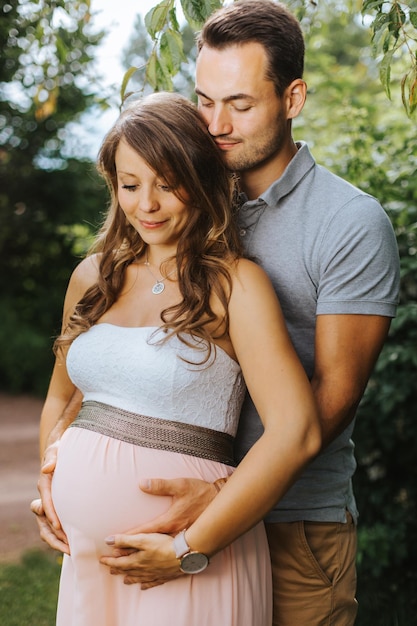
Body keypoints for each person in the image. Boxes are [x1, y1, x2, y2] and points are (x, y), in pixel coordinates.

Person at [31, 1, 400, 624]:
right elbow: (98, 368)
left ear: (293, 97)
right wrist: (57, 474)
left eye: (241, 104)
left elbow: (328, 400)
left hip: (290, 520)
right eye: (205, 100)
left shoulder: (347, 222)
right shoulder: (184, 194)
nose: (217, 123)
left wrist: (219, 501)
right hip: (128, 543)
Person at [35, 90, 321, 625]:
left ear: (202, 178)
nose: (147, 204)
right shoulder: (93, 277)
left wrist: (189, 547)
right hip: (90, 565)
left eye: (168, 184)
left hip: (191, 558)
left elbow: (296, 431)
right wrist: (50, 482)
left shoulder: (236, 285)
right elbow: (61, 397)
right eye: (130, 185)